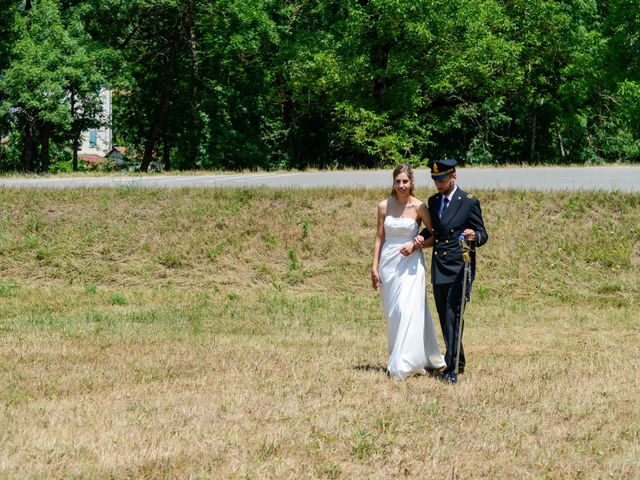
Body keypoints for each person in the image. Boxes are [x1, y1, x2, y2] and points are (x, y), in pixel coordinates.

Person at [405, 159, 488, 385]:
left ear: (453, 176)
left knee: (454, 315)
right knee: (444, 316)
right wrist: (422, 235)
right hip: (440, 266)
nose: (438, 184)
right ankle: (458, 359)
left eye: (441, 179)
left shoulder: (469, 202)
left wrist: (474, 236)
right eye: (435, 180)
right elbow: (436, 230)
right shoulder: (433, 202)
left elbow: (483, 234)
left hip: (460, 267)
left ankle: (451, 367)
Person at [371, 163, 446, 380]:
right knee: (394, 312)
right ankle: (401, 353)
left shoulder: (420, 207)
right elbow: (379, 237)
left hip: (411, 264)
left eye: (405, 181)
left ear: (411, 182)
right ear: (393, 183)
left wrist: (416, 245)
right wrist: (374, 266)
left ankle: (405, 363)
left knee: (407, 309)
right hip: (389, 263)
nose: (402, 185)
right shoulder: (384, 206)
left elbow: (435, 236)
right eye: (398, 181)